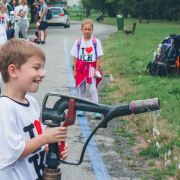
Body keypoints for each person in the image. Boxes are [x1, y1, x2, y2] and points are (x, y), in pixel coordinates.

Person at [0, 38, 68, 179]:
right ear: (13, 71)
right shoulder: (5, 108)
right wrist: (45, 138)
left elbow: (37, 143)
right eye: (36, 68)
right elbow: (11, 152)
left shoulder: (32, 102)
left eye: (42, 68)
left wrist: (50, 148)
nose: (43, 73)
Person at [71, 19, 103, 119]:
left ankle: (96, 110)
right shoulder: (78, 42)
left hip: (91, 68)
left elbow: (98, 57)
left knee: (93, 89)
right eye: (85, 29)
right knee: (82, 89)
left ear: (92, 29)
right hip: (81, 68)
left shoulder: (95, 42)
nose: (87, 31)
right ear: (82, 29)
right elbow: (75, 57)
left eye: (89, 29)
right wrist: (75, 70)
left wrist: (96, 70)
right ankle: (82, 109)